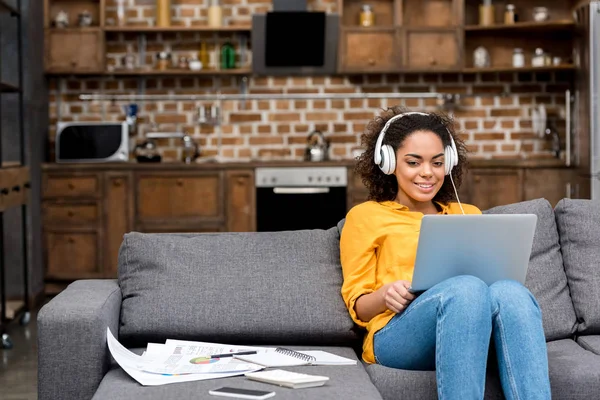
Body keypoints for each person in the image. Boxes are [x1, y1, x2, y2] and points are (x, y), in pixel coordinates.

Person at [340, 106, 551, 399]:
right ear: (389, 163)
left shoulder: (467, 214)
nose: (427, 173)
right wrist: (385, 294)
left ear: (448, 163)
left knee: (512, 292)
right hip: (397, 334)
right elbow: (358, 306)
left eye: (437, 163)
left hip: (470, 329)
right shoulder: (366, 217)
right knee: (466, 288)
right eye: (413, 162)